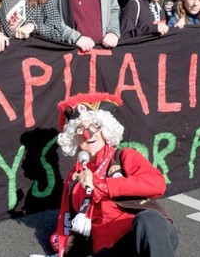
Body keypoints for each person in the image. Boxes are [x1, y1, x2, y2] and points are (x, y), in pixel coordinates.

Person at [51, 93, 178, 256]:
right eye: (80, 129)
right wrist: (66, 242)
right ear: (75, 138)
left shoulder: (124, 156)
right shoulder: (75, 177)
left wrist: (101, 185)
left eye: (94, 127)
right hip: (111, 250)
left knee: (149, 219)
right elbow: (67, 225)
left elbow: (157, 183)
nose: (88, 134)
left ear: (105, 129)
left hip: (145, 236)